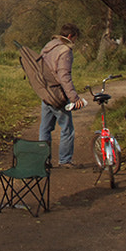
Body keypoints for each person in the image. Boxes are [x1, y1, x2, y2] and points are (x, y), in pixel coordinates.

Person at [38, 24, 85, 168]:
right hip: (58, 95)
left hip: (46, 92)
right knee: (67, 128)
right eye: (75, 38)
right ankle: (65, 160)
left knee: (45, 128)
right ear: (70, 36)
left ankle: (43, 160)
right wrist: (74, 98)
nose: (75, 42)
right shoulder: (65, 51)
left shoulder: (48, 46)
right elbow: (64, 76)